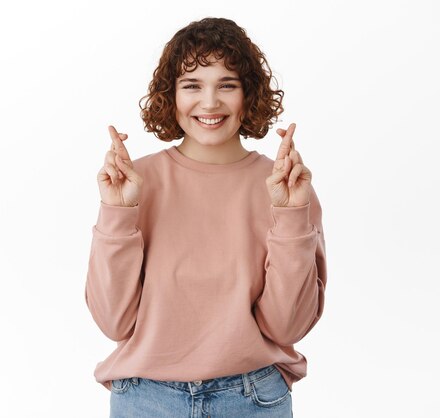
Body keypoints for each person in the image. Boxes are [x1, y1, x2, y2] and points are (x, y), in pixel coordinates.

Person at [85, 17, 327, 418]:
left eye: (227, 85)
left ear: (248, 94)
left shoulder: (284, 187)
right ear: (171, 95)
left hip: (253, 398)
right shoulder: (135, 182)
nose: (210, 102)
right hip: (145, 399)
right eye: (192, 85)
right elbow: (114, 322)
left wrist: (290, 216)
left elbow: (287, 328)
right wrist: (118, 213)